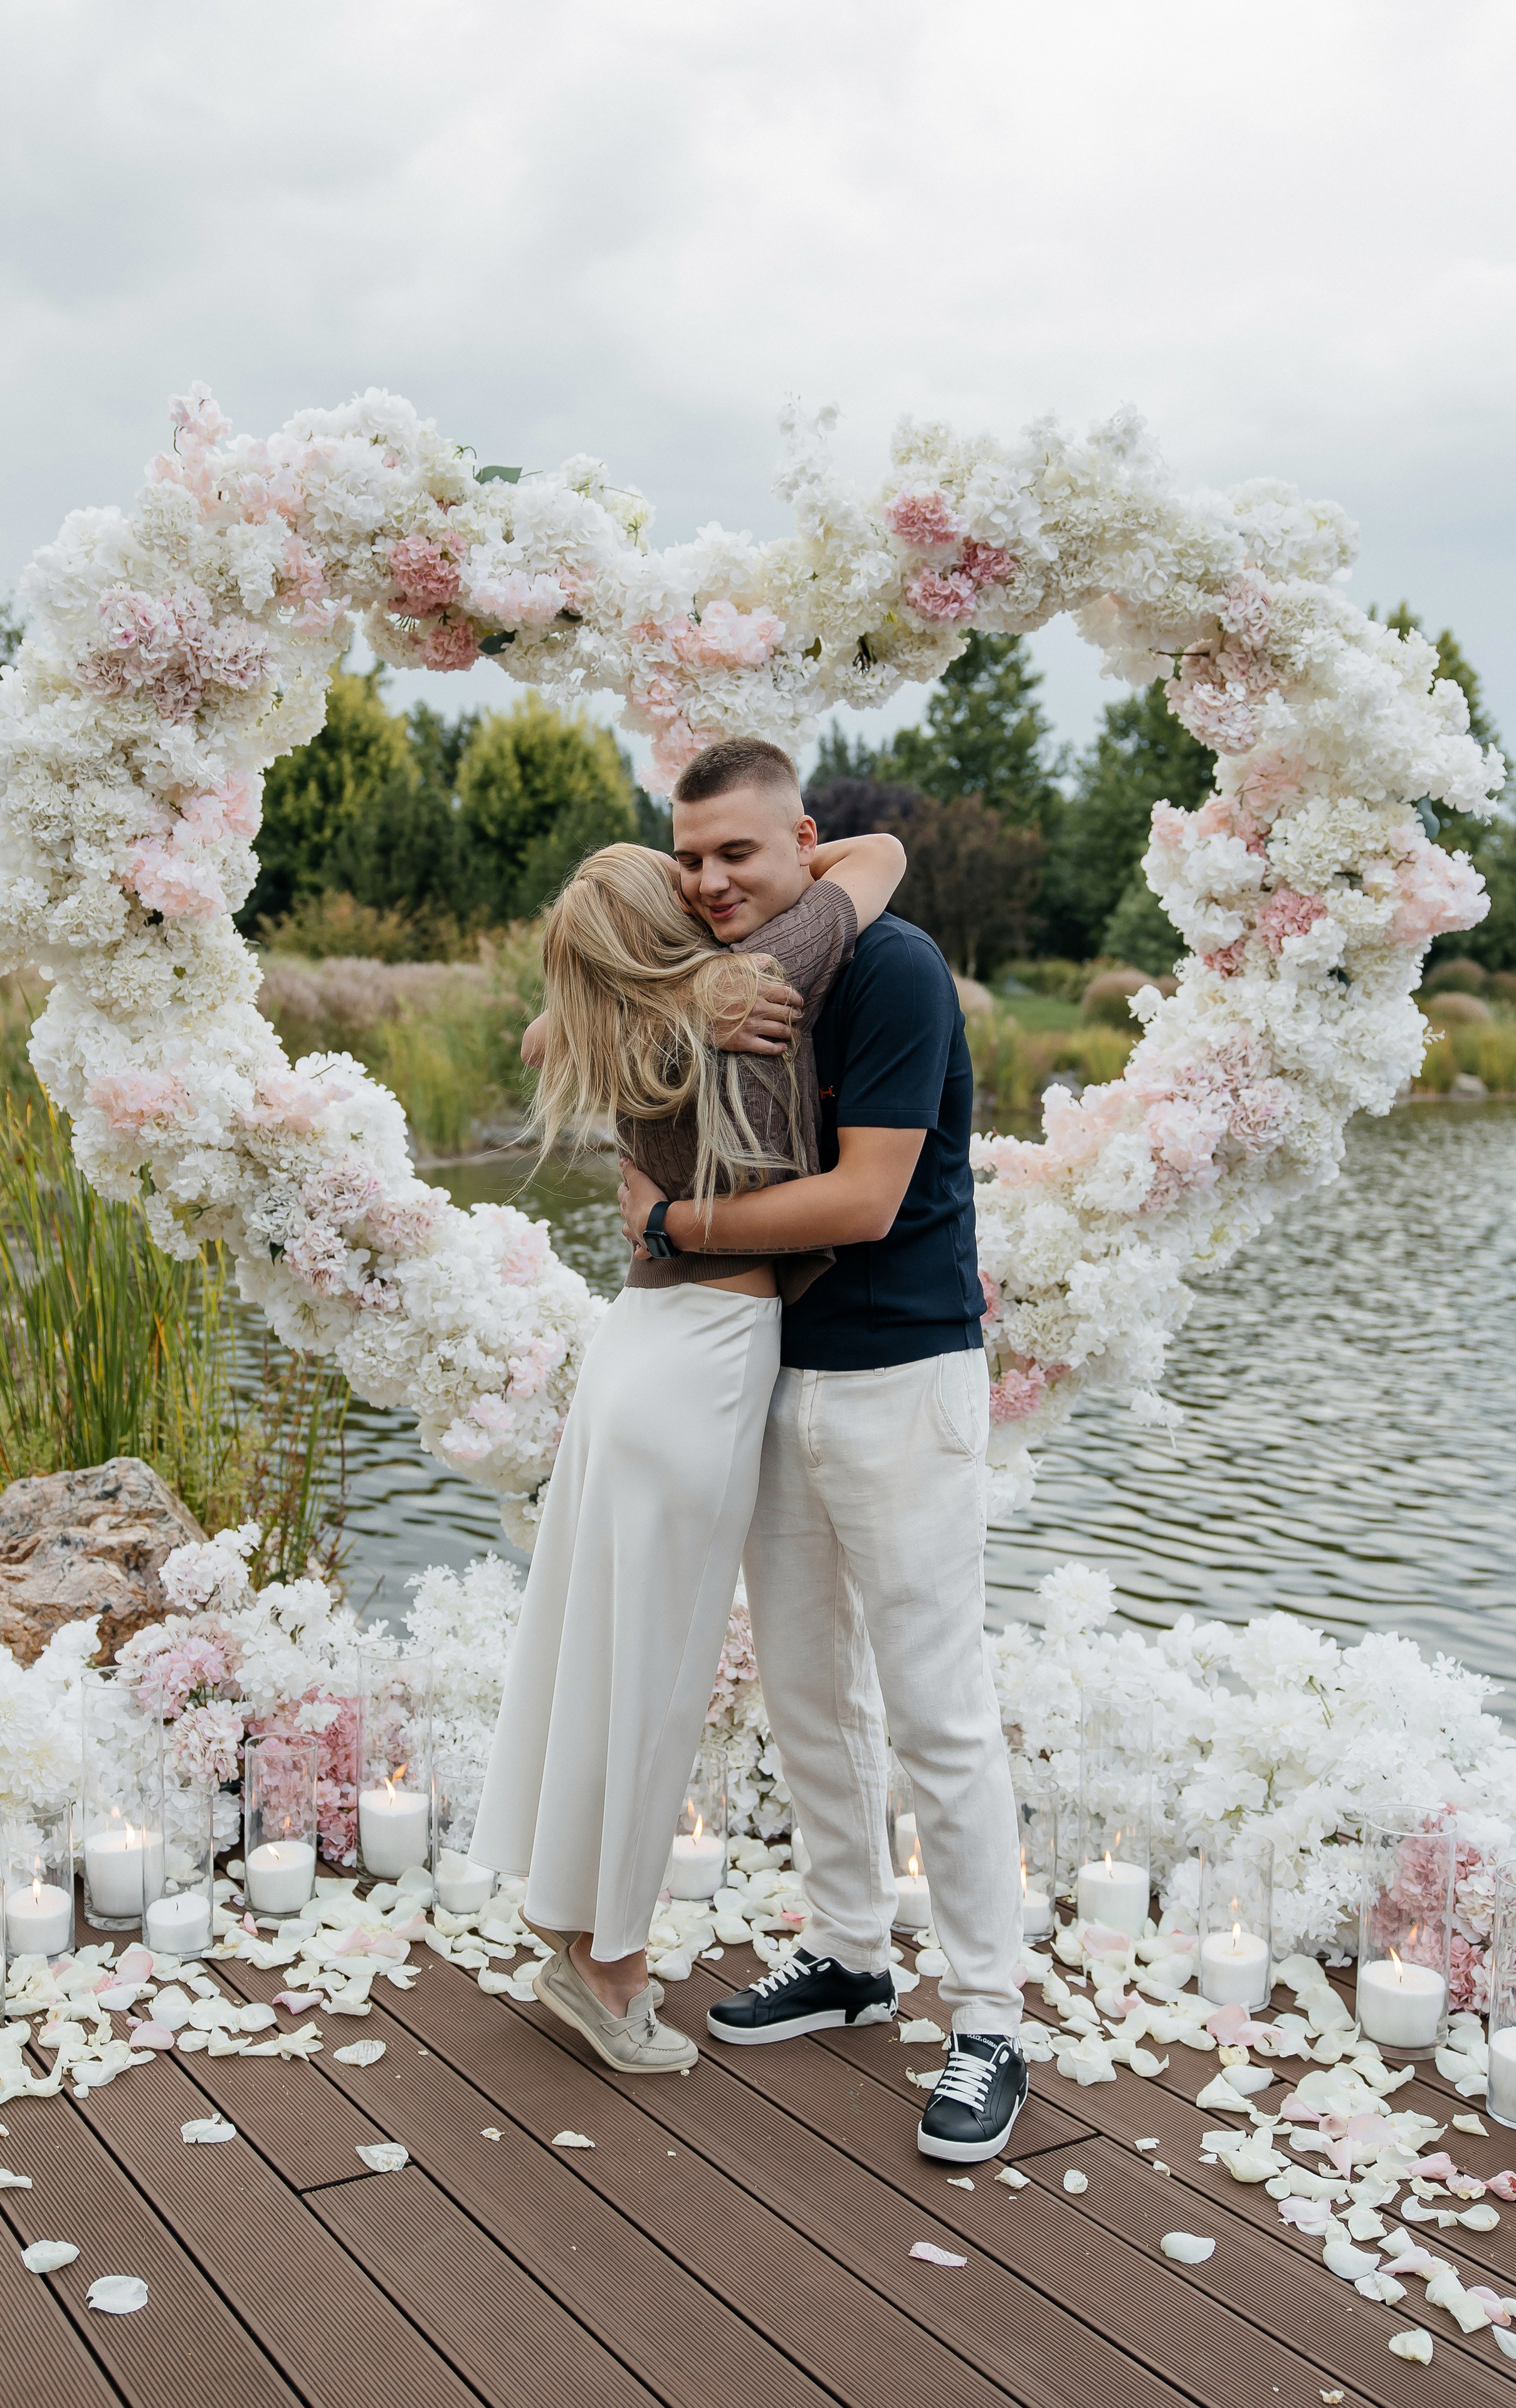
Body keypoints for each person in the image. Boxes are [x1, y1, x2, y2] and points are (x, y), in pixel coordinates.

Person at [617, 735, 1029, 2162]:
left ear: (803, 841)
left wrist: (675, 1231)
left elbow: (861, 1199)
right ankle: (852, 1954)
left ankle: (987, 2019)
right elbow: (580, 1049)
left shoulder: (893, 970)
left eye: (739, 850)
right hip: (778, 1377)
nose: (714, 878)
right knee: (804, 1690)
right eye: (692, 856)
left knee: (934, 1705)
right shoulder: (722, 978)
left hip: (903, 1378)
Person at [469, 812, 907, 2077]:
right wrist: (759, 910)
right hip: (707, 1362)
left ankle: (569, 1924)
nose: (713, 891)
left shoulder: (612, 1022)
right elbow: (877, 855)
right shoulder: (766, 979)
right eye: (686, 884)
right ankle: (606, 1971)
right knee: (654, 1678)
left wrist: (653, 982)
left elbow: (538, 1029)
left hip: (631, 1353)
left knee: (591, 1651)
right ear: (672, 921)